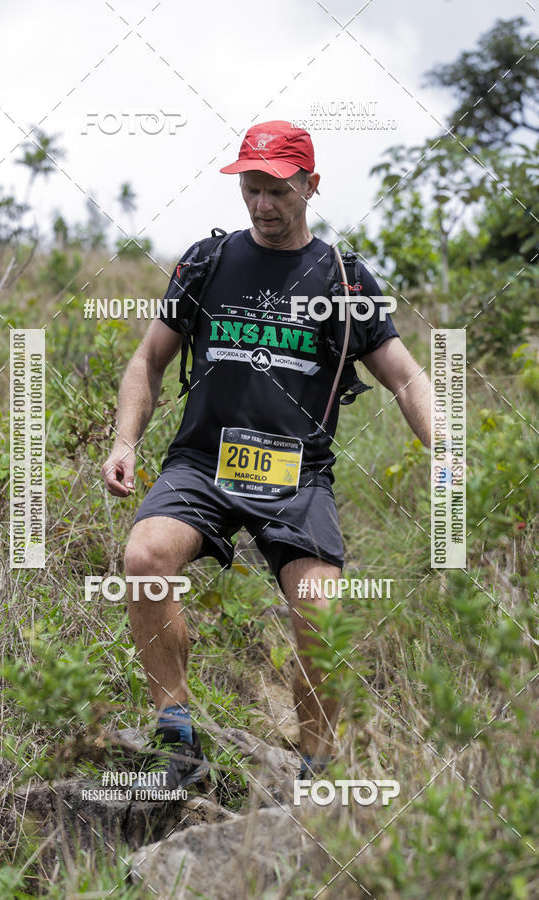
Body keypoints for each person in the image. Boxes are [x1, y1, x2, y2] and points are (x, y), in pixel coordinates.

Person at [101, 120, 431, 789]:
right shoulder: (208, 262)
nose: (262, 204)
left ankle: (315, 766)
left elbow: (405, 376)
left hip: (296, 475)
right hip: (203, 463)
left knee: (322, 614)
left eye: (278, 190)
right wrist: (125, 440)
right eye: (251, 189)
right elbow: (149, 360)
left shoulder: (343, 280)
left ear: (312, 185)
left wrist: (447, 449)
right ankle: (176, 738)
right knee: (145, 558)